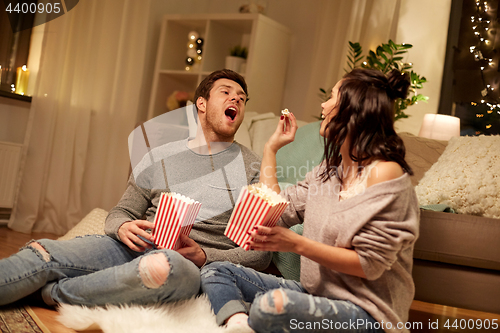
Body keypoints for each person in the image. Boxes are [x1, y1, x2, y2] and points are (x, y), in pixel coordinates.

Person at [0, 69, 271, 307]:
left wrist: (205, 255)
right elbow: (122, 211)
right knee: (44, 251)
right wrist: (121, 227)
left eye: (241, 97)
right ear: (201, 103)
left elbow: (261, 254)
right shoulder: (158, 156)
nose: (236, 98)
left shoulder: (252, 168)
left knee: (163, 269)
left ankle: (53, 293)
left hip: (185, 265)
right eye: (226, 92)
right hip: (134, 246)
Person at [200, 68, 420, 333]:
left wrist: (297, 244)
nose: (323, 105)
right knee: (217, 270)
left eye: (332, 97)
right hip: (314, 296)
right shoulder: (326, 173)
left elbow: (369, 265)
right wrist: (272, 148)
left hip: (367, 313)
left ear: (354, 110)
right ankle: (237, 325)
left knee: (270, 305)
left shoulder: (385, 173)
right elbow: (276, 211)